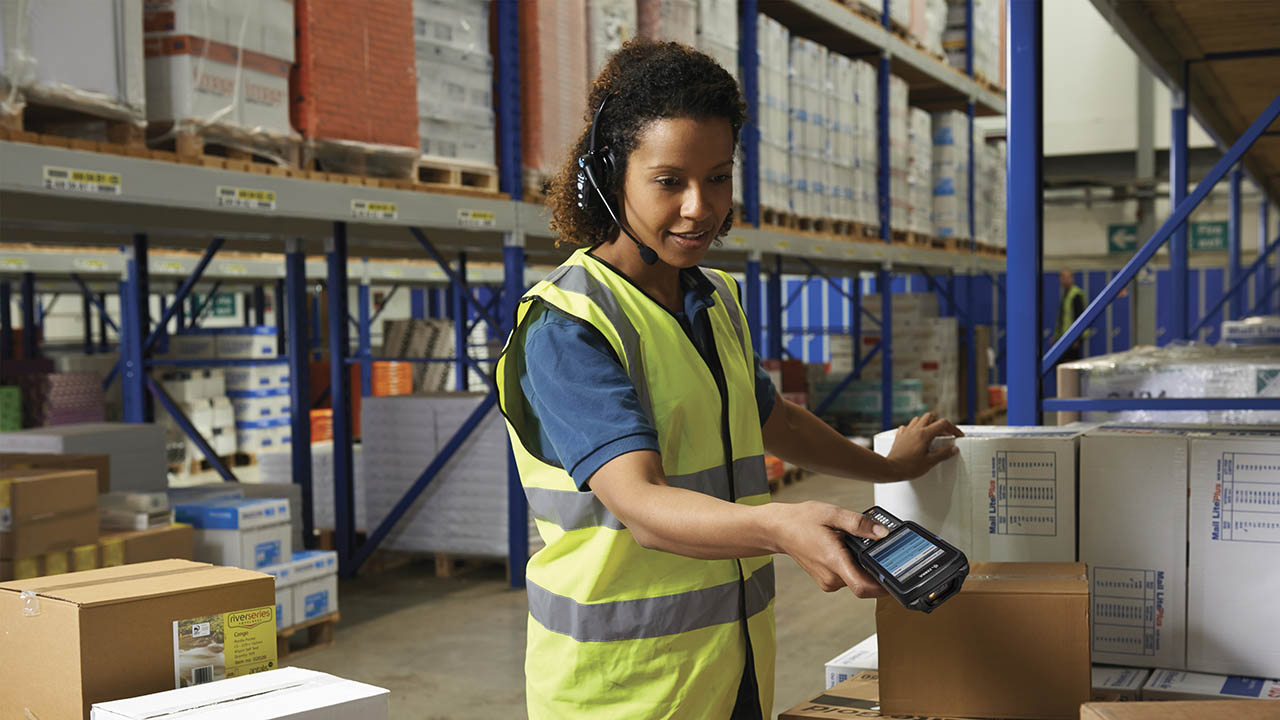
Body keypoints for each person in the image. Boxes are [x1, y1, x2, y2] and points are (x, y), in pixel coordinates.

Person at [495, 40, 961, 720]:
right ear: (606, 175)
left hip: (729, 670)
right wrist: (783, 525)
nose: (699, 207)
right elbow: (642, 505)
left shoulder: (716, 299)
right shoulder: (568, 325)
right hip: (621, 693)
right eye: (669, 181)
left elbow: (774, 421)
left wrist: (886, 469)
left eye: (717, 177)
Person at [1054, 269, 1088, 362]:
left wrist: (1076, 338)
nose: (1063, 280)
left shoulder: (1076, 295)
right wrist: (1056, 337)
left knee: (1070, 364)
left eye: (1065, 277)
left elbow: (1080, 317)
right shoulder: (1065, 294)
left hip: (1071, 338)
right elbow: (1062, 318)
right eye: (1062, 277)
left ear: (1071, 279)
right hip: (1063, 337)